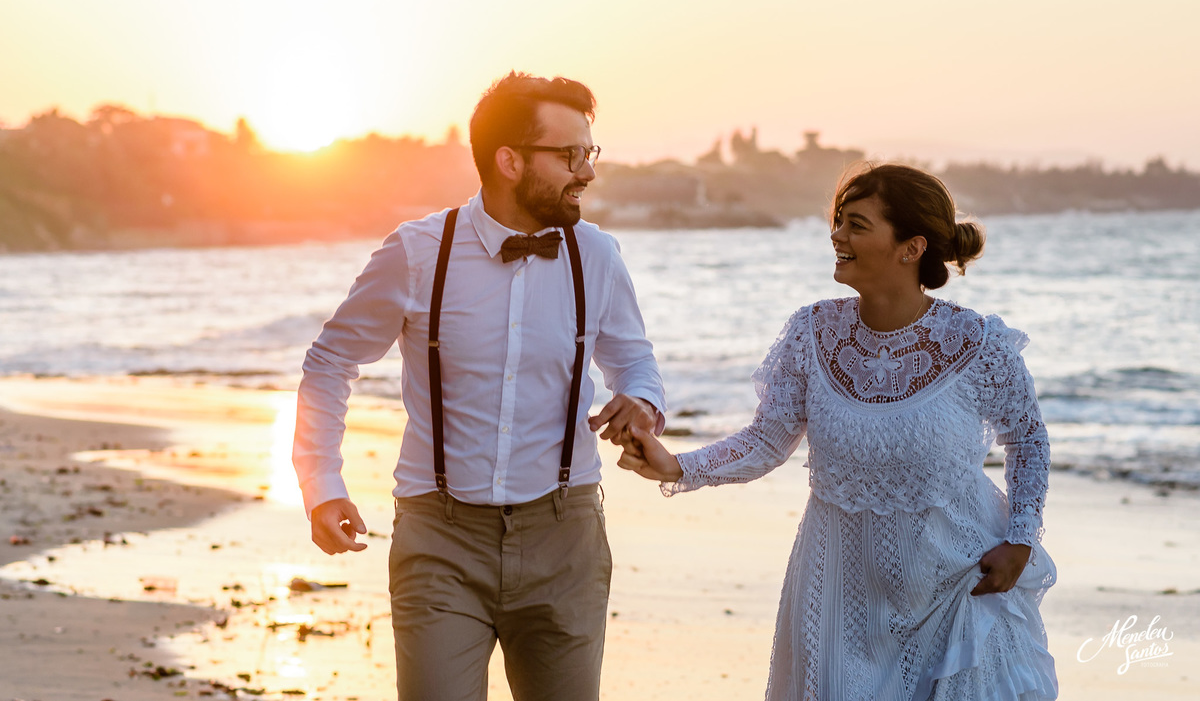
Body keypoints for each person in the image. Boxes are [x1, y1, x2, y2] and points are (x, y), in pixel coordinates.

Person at [616, 163, 1058, 700]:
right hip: (836, 593)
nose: (837, 236)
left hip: (958, 589)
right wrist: (679, 465)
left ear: (910, 246)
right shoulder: (812, 332)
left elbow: (1028, 440)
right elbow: (766, 440)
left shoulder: (976, 342)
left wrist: (1021, 540)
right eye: (838, 222)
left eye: (857, 224)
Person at [293, 71, 666, 701]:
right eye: (570, 155)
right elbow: (330, 363)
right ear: (510, 160)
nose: (588, 173)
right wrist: (321, 486)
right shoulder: (416, 253)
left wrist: (644, 402)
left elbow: (635, 361)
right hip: (440, 540)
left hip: (565, 537)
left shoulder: (596, 255)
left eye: (589, 153)